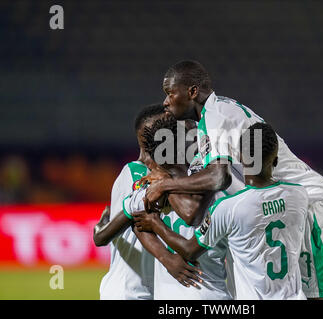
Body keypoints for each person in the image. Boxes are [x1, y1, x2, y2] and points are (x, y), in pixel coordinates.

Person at [141, 60, 323, 299]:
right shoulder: (211, 118)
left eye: (170, 93)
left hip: (307, 199)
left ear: (192, 91)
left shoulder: (218, 116)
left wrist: (165, 185)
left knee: (314, 294)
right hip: (270, 203)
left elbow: (218, 177)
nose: (165, 101)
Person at [136, 122, 308, 299]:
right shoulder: (299, 195)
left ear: (240, 158)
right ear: (276, 160)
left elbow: (188, 250)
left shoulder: (228, 207)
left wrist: (155, 224)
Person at [93, 104, 202, 299]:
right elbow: (137, 221)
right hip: (128, 291)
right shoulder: (135, 172)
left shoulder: (173, 173)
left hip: (155, 291)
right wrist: (168, 260)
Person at [123, 115, 234, 300]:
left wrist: (166, 186)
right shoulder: (155, 185)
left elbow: (190, 214)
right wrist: (166, 257)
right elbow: (135, 220)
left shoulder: (154, 188)